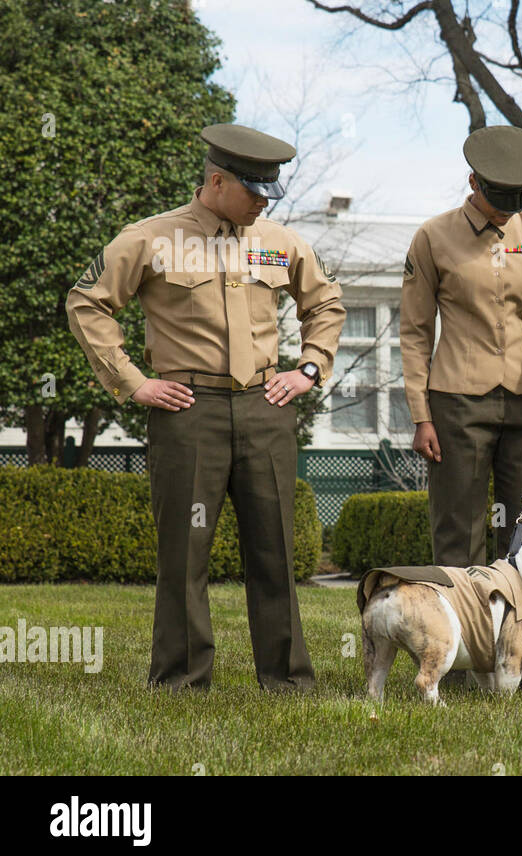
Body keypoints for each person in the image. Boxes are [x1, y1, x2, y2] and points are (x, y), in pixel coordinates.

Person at [66, 123, 345, 691]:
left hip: (266, 408)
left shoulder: (279, 240)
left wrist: (309, 368)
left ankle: (288, 680)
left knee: (275, 551)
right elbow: (87, 302)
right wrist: (133, 382)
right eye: (253, 189)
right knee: (185, 556)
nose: (263, 200)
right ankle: (181, 680)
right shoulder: (150, 238)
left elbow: (327, 300)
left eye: (269, 190)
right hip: (189, 411)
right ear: (216, 181)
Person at [399, 125, 522, 693]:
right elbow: (416, 332)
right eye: (498, 198)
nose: (507, 212)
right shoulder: (433, 238)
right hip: (455, 403)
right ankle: (460, 668)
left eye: (517, 200)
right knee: (459, 540)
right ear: (473, 182)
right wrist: (421, 413)